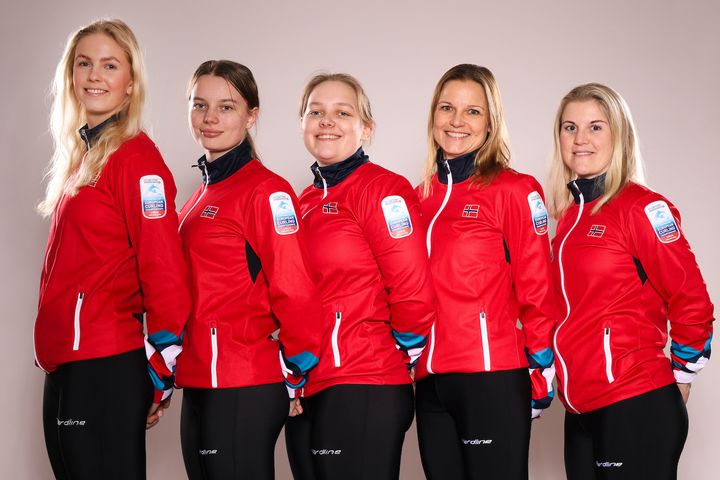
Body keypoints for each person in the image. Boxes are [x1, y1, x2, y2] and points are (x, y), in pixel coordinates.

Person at [35, 19, 191, 479]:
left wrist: (161, 373)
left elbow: (165, 272)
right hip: (65, 362)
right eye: (84, 64)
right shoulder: (84, 157)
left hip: (105, 364)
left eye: (109, 65)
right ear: (71, 76)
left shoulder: (137, 161)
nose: (95, 76)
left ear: (129, 83)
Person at [547, 83, 714, 480]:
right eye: (570, 127)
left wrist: (683, 375)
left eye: (595, 127)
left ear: (619, 135)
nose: (580, 139)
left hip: (634, 401)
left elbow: (692, 299)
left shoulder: (642, 208)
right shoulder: (570, 218)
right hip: (580, 410)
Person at [175, 60, 324, 480]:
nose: (209, 117)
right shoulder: (199, 195)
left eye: (226, 106)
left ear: (251, 115)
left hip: (244, 381)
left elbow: (295, 287)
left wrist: (298, 369)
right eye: (199, 105)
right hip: (201, 376)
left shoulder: (267, 191)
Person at [284, 73, 436, 480]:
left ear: (366, 128)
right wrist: (295, 376)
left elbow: (413, 291)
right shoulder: (304, 202)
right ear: (302, 124)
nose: (326, 121)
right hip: (311, 384)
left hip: (366, 380)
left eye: (342, 112)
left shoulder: (383, 190)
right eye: (315, 112)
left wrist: (399, 355)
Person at [413, 64, 558, 480]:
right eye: (447, 108)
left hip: (491, 378)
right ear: (433, 116)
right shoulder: (416, 196)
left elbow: (538, 288)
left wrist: (541, 370)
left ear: (491, 122)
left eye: (473, 111)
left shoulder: (515, 190)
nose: (457, 121)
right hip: (430, 382)